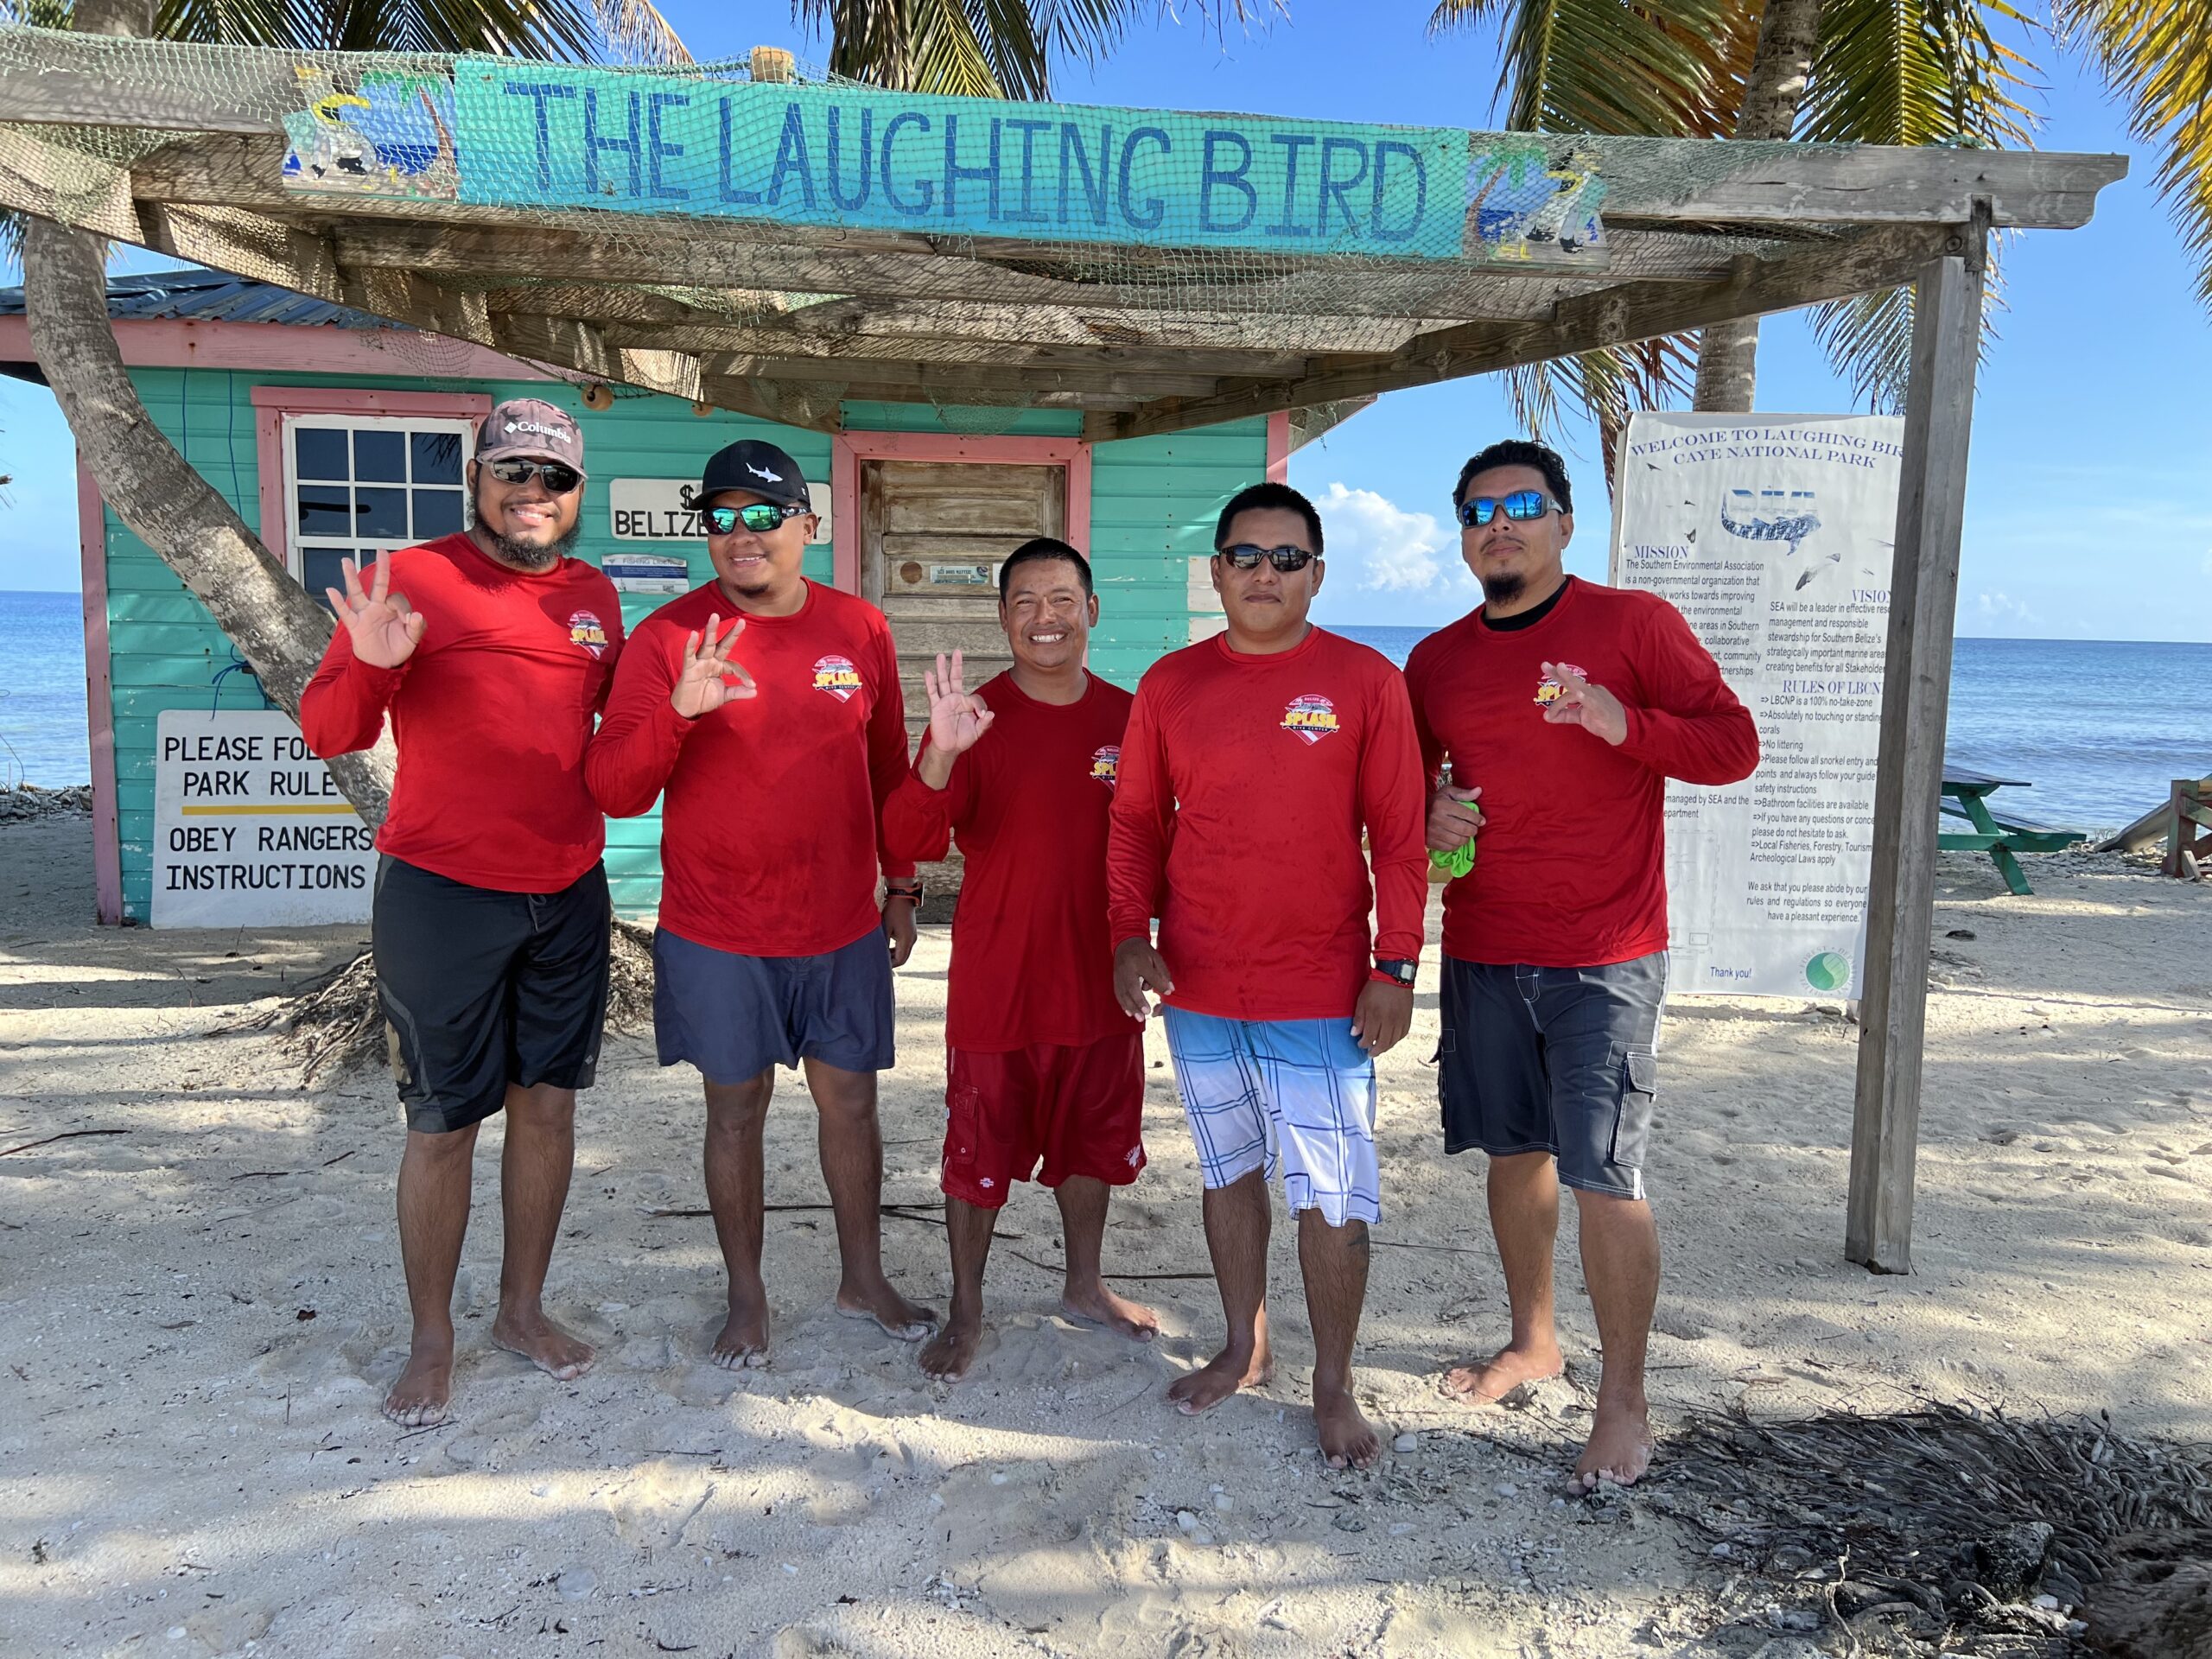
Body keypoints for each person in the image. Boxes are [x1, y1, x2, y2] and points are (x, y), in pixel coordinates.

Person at [1403, 439, 1759, 1491]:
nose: (1497, 524)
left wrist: (1623, 721)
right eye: (1477, 511)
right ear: (1464, 534)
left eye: (1520, 504)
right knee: (1515, 1156)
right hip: (1480, 942)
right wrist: (1427, 813)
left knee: (1606, 1173)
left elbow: (1732, 744)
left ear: (1564, 521)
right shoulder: (1435, 660)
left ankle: (1623, 1402)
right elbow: (1411, 792)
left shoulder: (1632, 624)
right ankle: (1534, 1342)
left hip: (1605, 953)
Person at [301, 397, 620, 1427]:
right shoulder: (415, 577)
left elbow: (612, 742)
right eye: (514, 472)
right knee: (441, 1125)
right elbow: (327, 729)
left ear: (576, 493)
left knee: (549, 1108)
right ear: (476, 480)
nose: (535, 492)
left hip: (568, 890)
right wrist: (374, 666)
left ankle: (521, 1311)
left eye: (555, 477)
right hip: (441, 893)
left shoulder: (594, 598)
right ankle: (431, 1336)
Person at [586, 438, 934, 1367]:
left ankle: (862, 1278)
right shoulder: (667, 638)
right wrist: (680, 711)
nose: (742, 535)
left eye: (763, 514)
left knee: (850, 1107)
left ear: (807, 528)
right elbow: (615, 787)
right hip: (717, 930)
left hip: (840, 926)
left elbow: (890, 769)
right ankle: (747, 1298)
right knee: (733, 1113)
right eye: (722, 517)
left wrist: (901, 886)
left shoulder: (860, 630)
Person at [1106, 481, 1427, 1471]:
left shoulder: (1367, 680)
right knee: (1228, 1172)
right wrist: (1130, 933)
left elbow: (1403, 837)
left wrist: (1396, 965)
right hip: (1198, 989)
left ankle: (1332, 1384)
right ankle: (1244, 1345)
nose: (1264, 573)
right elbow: (1134, 827)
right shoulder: (1169, 685)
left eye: (1286, 558)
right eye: (1245, 555)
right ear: (1215, 571)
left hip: (1323, 995)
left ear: (1317, 575)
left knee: (1332, 1198)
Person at [879, 539, 1158, 1381]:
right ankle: (966, 1311)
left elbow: (1159, 841)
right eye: (1026, 603)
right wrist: (940, 753)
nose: (1046, 619)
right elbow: (906, 839)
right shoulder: (975, 718)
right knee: (977, 1153)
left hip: (1100, 979)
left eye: (1062, 600)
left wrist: (1146, 939)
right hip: (998, 986)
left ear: (1091, 611)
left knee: (1093, 1145)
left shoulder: (1130, 717)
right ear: (1003, 618)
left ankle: (1084, 1285)